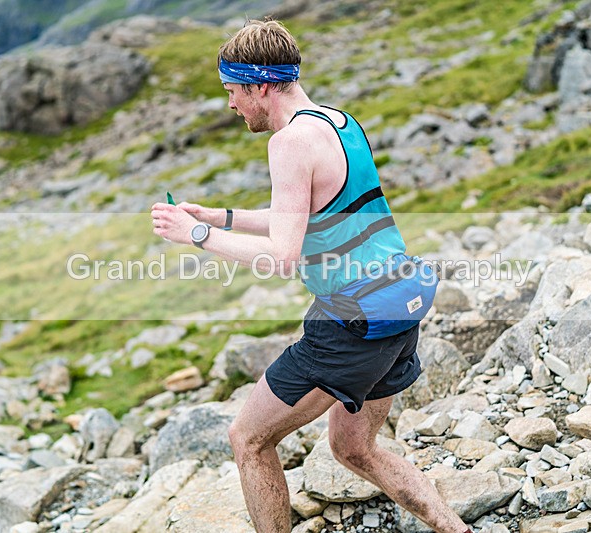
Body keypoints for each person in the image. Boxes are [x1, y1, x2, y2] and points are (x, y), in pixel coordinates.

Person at [150, 18, 471, 533]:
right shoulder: (339, 122)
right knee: (354, 448)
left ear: (259, 86)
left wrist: (196, 235)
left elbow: (282, 256)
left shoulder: (289, 143)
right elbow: (310, 217)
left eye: (232, 90)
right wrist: (218, 216)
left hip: (351, 322)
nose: (230, 104)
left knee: (248, 439)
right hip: (399, 303)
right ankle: (457, 529)